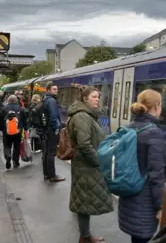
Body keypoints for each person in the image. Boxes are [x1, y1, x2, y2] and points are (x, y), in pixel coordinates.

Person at [118, 89, 166, 243]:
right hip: (145, 200)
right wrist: (161, 205)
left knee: (136, 238)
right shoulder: (154, 133)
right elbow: (156, 174)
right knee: (143, 238)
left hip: (129, 192)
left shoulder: (129, 127)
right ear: (157, 106)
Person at [68, 86, 113, 243]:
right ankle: (85, 237)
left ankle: (85, 236)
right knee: (83, 201)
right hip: (85, 165)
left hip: (84, 164)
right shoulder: (82, 117)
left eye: (98, 96)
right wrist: (97, 161)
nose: (97, 99)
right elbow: (84, 144)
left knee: (84, 201)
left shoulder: (87, 115)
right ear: (85, 99)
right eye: (94, 96)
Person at [42, 84, 66, 182]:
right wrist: (58, 128)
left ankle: (47, 174)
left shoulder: (46, 99)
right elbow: (53, 116)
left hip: (47, 130)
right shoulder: (51, 101)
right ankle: (52, 175)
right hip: (51, 130)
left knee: (47, 152)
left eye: (57, 89)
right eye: (54, 89)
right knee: (51, 153)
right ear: (48, 90)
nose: (56, 90)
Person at [0, 94, 27, 169]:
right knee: (17, 146)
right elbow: (24, 120)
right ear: (16, 101)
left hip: (6, 131)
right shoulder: (21, 109)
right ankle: (15, 162)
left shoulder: (4, 109)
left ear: (8, 100)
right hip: (18, 131)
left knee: (7, 146)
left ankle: (8, 157)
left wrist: (1, 129)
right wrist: (25, 128)